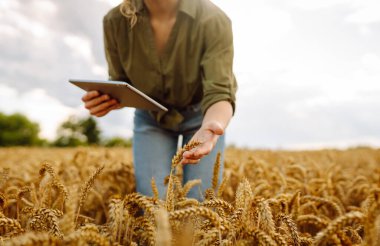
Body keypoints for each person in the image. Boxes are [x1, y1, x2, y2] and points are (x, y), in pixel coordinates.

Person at [81, 0, 237, 200]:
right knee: (153, 207)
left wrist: (212, 126)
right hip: (151, 117)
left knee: (201, 208)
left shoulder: (213, 19)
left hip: (203, 116)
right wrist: (109, 99)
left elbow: (220, 91)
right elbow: (122, 81)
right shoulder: (115, 21)